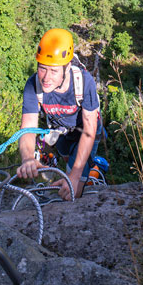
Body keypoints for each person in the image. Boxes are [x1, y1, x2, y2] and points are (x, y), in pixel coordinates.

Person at [17, 28, 102, 200]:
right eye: (42, 68)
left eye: (54, 71)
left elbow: (89, 131)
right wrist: (27, 159)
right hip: (61, 133)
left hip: (84, 133)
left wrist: (75, 176)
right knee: (67, 161)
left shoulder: (84, 83)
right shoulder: (33, 85)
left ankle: (89, 175)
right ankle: (85, 171)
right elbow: (28, 128)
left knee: (72, 191)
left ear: (67, 67)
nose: (46, 77)